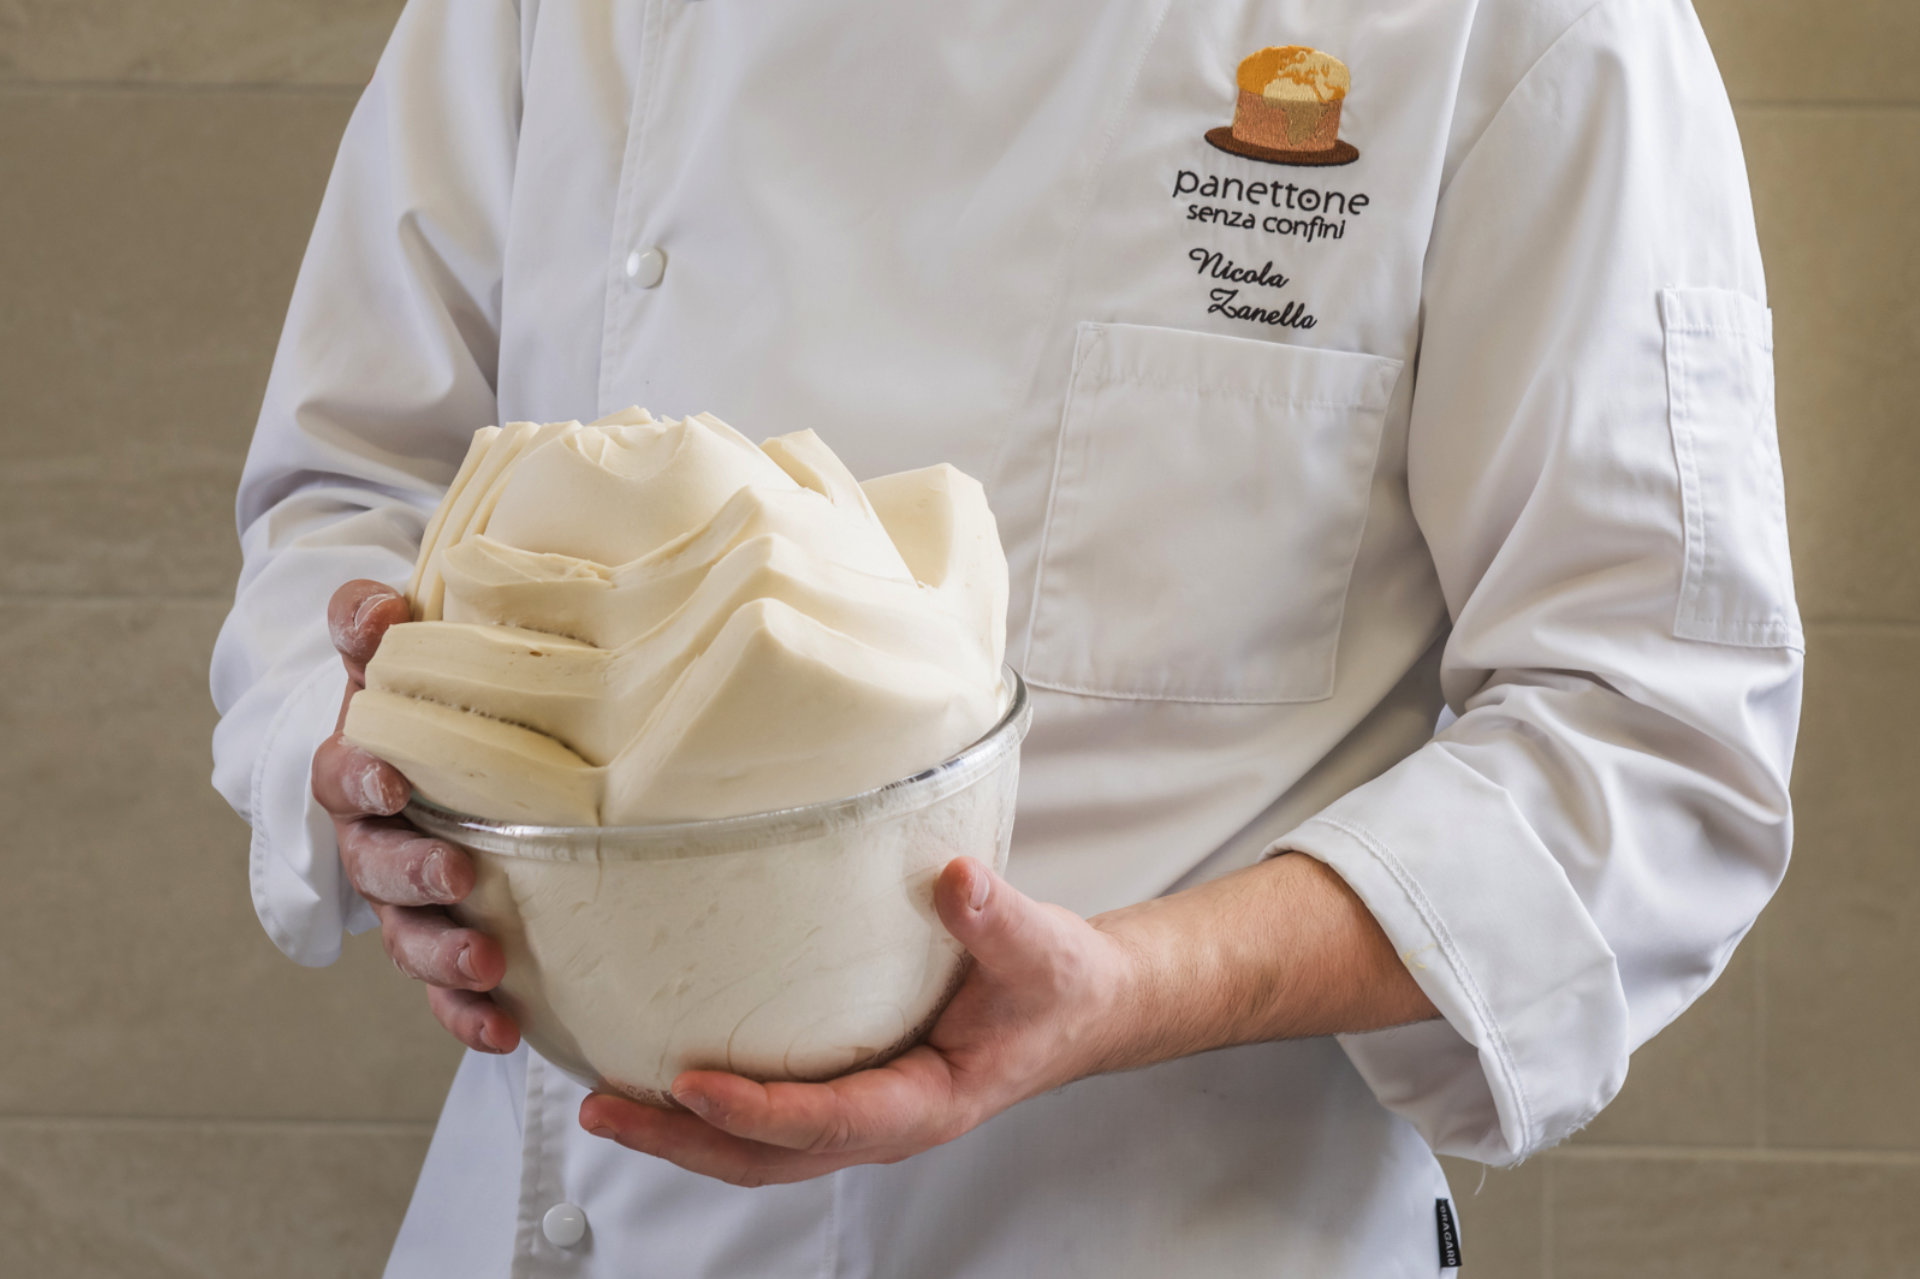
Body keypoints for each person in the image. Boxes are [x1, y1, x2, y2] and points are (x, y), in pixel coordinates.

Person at [210, 1, 1802, 1274]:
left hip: (1155, 1226)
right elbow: (350, 493)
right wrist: (367, 768)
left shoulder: (1531, 27)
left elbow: (1655, 737)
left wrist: (1134, 987)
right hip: (585, 1218)